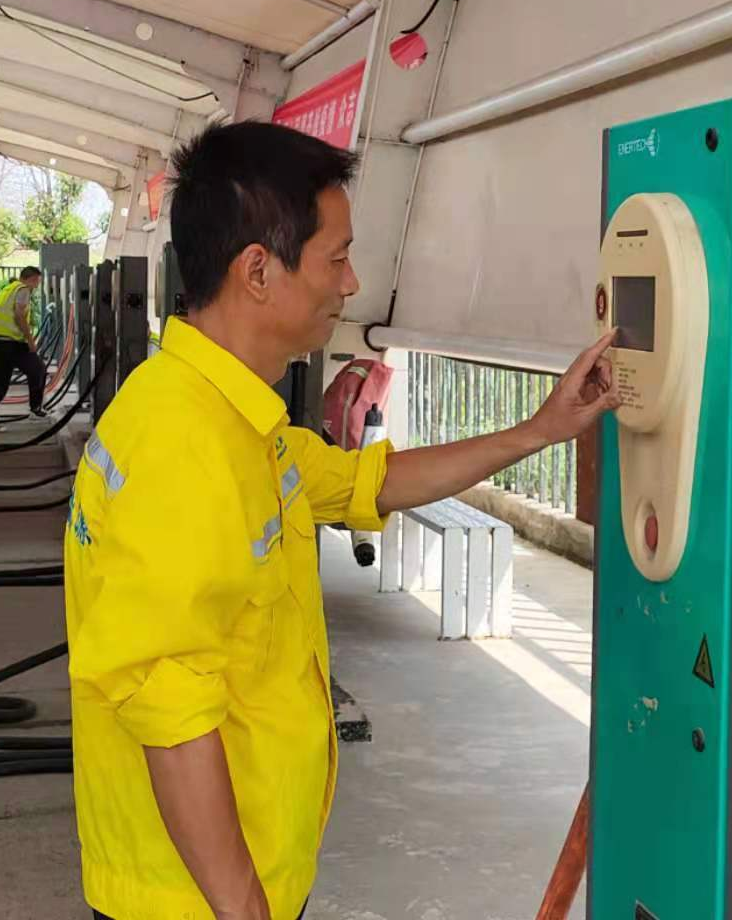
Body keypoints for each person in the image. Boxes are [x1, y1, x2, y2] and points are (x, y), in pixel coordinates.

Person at [63, 122, 617, 920]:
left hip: (235, 872)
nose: (351, 284)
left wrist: (538, 430)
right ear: (258, 271)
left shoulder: (230, 419)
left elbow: (371, 481)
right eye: (336, 257)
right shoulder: (181, 447)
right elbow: (170, 712)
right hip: (189, 899)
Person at [0, 266, 49, 430]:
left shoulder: (6, 290)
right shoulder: (23, 290)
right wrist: (30, 340)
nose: (37, 286)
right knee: (38, 369)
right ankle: (36, 409)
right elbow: (19, 315)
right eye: (37, 282)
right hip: (11, 343)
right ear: (31, 279)